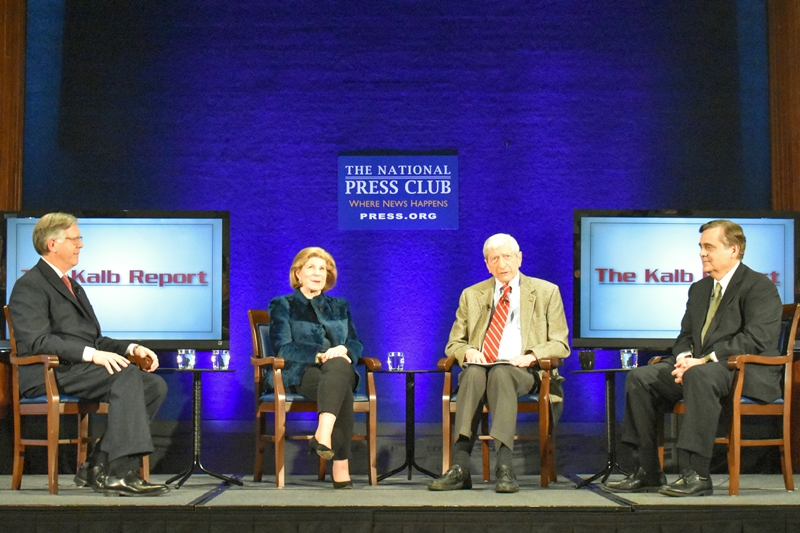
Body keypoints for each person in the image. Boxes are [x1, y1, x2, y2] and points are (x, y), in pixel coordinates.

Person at [606, 220, 783, 497]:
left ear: (734, 250)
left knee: (699, 375)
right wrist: (685, 357)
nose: (702, 253)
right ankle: (647, 471)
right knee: (641, 378)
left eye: (709, 247)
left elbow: (756, 339)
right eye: (701, 247)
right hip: (700, 370)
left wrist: (704, 361)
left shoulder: (759, 286)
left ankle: (697, 473)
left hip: (744, 370)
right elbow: (684, 336)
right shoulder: (699, 289)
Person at [8, 213, 169, 497]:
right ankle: (119, 474)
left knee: (153, 385)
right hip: (48, 372)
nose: (81, 245)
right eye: (75, 238)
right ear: (52, 244)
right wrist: (91, 355)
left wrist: (132, 348)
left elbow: (95, 338)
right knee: (126, 374)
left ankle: (95, 465)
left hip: (77, 369)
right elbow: (37, 341)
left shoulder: (74, 286)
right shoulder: (29, 285)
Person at [428, 234, 570, 493]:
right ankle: (460, 467)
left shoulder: (546, 292)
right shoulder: (472, 295)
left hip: (523, 370)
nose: (502, 263)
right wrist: (469, 351)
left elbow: (560, 344)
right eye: (495, 259)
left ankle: (504, 466)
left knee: (502, 373)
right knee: (471, 375)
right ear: (487, 264)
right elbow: (453, 344)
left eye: (507, 257)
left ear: (519, 258)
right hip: (481, 368)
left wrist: (532, 355)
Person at [268, 247, 363, 489]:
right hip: (301, 371)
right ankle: (340, 465)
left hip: (338, 369)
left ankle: (323, 433)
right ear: (298, 273)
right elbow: (282, 348)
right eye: (311, 267)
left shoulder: (340, 305)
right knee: (342, 391)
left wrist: (344, 350)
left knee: (340, 365)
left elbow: (354, 341)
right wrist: (320, 356)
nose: (317, 273)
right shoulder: (283, 305)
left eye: (323, 269)